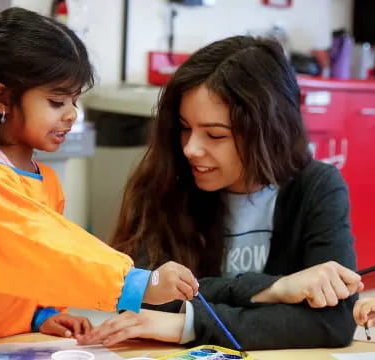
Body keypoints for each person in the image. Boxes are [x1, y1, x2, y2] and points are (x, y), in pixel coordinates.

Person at [0, 7, 199, 352]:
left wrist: (41, 314)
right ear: (1, 99)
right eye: (57, 101)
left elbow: (25, 270)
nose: (71, 114)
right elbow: (44, 250)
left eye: (74, 100)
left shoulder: (43, 179)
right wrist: (138, 283)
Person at [77, 35, 363, 350]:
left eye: (215, 135)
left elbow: (333, 322)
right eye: (185, 128)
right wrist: (275, 290)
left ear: (267, 132)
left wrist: (188, 322)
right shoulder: (165, 178)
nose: (191, 148)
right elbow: (141, 298)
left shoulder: (318, 186)